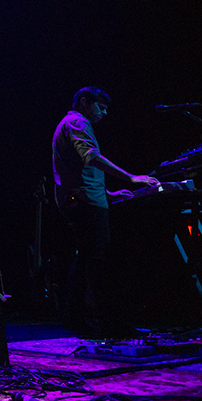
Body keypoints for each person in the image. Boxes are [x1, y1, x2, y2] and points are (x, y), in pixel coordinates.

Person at [52, 86, 158, 338]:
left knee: (87, 258)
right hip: (86, 202)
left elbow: (78, 170)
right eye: (101, 106)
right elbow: (91, 157)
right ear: (84, 101)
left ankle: (74, 318)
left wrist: (108, 194)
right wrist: (131, 178)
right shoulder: (77, 122)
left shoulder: (71, 123)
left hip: (85, 198)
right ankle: (110, 323)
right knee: (98, 263)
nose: (105, 113)